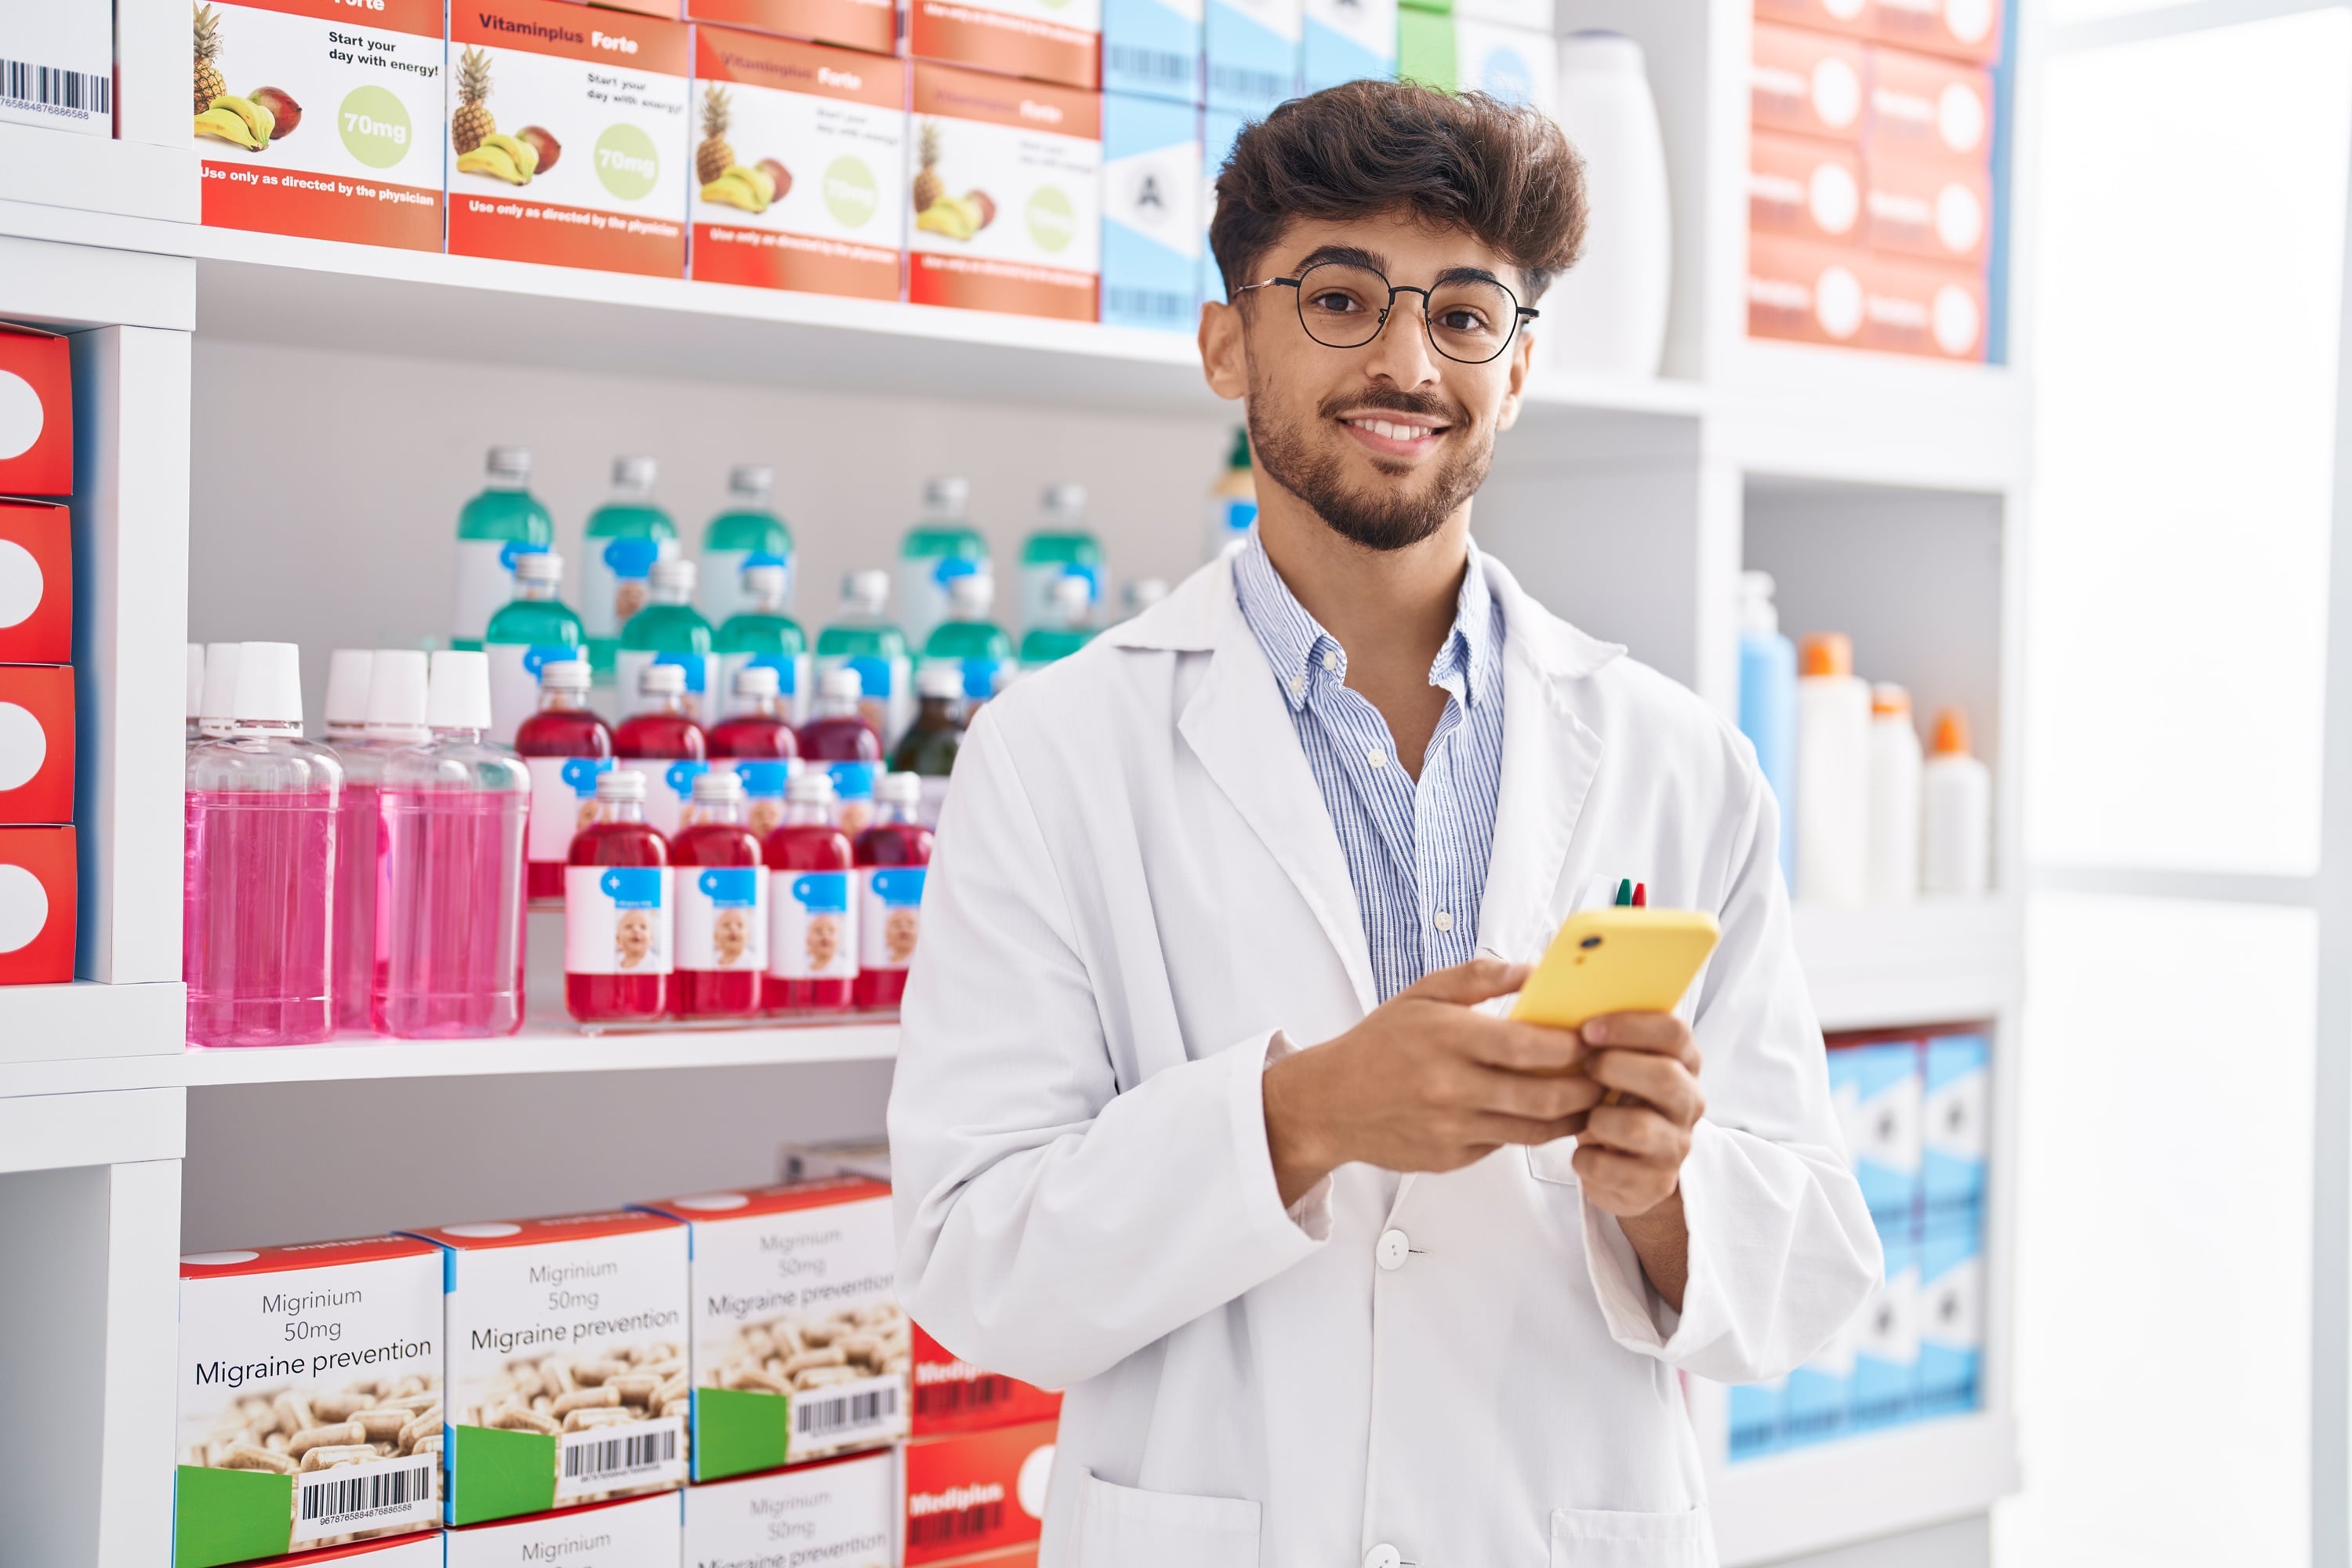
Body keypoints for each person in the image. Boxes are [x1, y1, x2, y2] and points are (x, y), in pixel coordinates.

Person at [890, 80, 1879, 1566]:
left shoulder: (1681, 759)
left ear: (1520, 364)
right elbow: (975, 1263)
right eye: (1341, 299)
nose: (1409, 363)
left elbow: (1811, 1265)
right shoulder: (1054, 752)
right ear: (1228, 339)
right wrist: (1309, 1115)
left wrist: (1667, 1191)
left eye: (1467, 314)